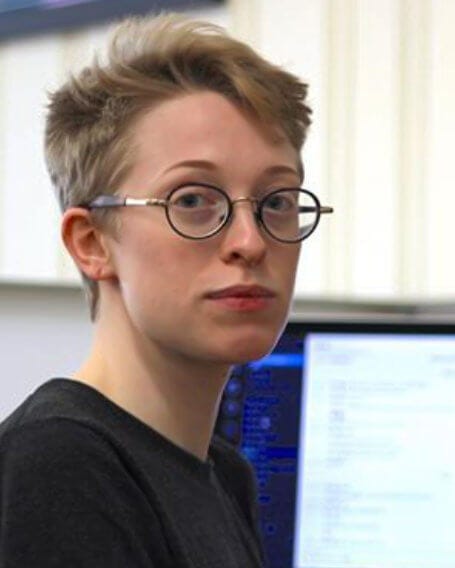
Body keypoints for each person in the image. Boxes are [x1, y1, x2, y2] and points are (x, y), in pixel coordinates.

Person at [0, 14, 330, 567]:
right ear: (92, 242)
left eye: (276, 201)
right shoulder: (58, 466)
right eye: (193, 201)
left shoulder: (225, 473)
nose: (249, 242)